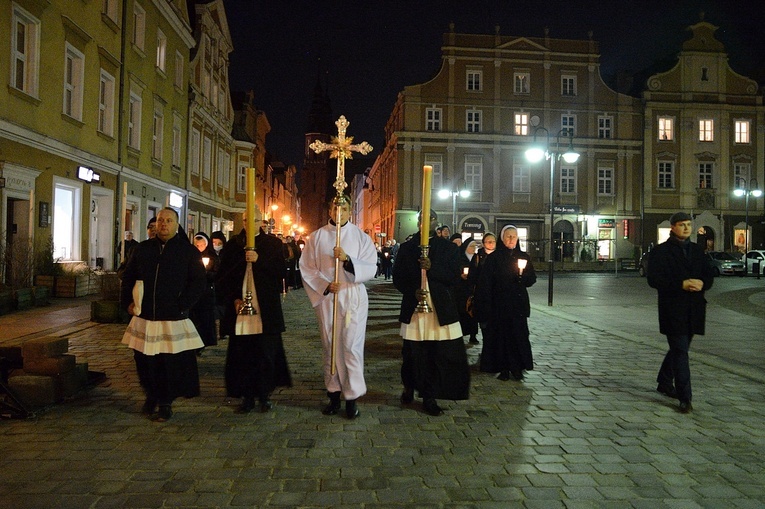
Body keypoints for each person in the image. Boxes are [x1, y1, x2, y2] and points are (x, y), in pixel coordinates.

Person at [120, 207, 206, 422]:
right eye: (160, 220)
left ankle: (166, 402)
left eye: (168, 220)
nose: (163, 224)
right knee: (144, 360)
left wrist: (183, 304)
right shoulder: (142, 249)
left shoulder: (187, 251)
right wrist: (127, 304)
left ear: (177, 224)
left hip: (172, 317)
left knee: (169, 362)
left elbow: (198, 282)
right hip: (145, 316)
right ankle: (151, 394)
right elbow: (128, 277)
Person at [300, 196, 378, 419]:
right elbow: (306, 267)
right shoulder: (317, 237)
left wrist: (347, 260)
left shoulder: (360, 237)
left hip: (352, 295)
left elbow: (371, 266)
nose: (339, 212)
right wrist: (324, 284)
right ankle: (333, 395)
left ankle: (352, 398)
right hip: (329, 296)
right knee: (330, 345)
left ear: (349, 211)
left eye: (343, 208)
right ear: (329, 211)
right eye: (335, 208)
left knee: (351, 346)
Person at [392, 209, 470, 416]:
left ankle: (430, 395)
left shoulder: (447, 248)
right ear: (417, 223)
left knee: (436, 353)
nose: (425, 223)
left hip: (439, 307)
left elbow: (454, 277)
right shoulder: (407, 248)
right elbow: (398, 278)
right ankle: (409, 386)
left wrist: (432, 268)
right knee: (411, 353)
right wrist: (412, 291)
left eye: (430, 219)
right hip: (414, 306)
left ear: (436, 223)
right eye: (422, 219)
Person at [216, 216, 292, 413]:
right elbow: (224, 276)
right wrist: (234, 298)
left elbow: (282, 272)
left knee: (265, 353)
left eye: (255, 218)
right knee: (243, 354)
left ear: (261, 222)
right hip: (240, 308)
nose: (250, 222)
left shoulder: (273, 244)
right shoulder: (234, 245)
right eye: (246, 218)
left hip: (265, 308)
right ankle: (247, 396)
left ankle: (264, 394)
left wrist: (260, 261)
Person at [647, 212, 714, 414]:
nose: (686, 228)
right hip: (672, 308)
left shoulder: (697, 250)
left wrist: (703, 283)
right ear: (673, 227)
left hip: (694, 309)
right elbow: (654, 280)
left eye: (688, 225)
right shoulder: (660, 252)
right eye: (681, 225)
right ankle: (685, 397)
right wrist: (681, 284)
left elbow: (708, 275)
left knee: (679, 349)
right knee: (681, 351)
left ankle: (664, 381)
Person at [474, 225, 537, 381]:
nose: (511, 239)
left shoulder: (523, 256)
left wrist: (523, 278)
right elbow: (486, 283)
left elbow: (532, 278)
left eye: (514, 237)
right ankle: (503, 368)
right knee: (502, 338)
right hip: (500, 305)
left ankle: (518, 367)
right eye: (508, 236)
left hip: (517, 305)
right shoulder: (494, 258)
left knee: (519, 337)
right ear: (502, 238)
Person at [189, 232, 218, 352]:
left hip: (206, 293)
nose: (199, 247)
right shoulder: (190, 255)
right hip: (193, 292)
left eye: (201, 245)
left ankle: (203, 342)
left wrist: (206, 273)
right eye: (197, 245)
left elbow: (217, 273)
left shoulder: (212, 257)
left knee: (204, 319)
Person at [455, 239, 480, 344]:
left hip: (472, 290)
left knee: (473, 313)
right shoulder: (460, 258)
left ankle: (473, 335)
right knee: (462, 312)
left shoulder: (477, 259)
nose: (473, 248)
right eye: (471, 246)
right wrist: (460, 276)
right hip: (462, 290)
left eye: (475, 246)